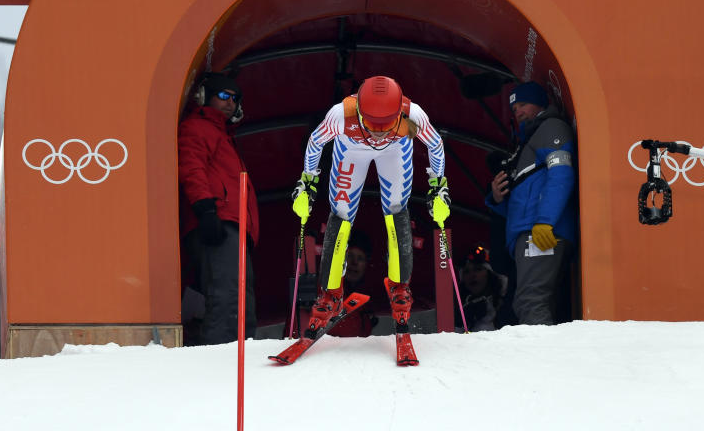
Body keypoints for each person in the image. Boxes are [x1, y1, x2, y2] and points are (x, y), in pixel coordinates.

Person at [290, 75, 451, 336]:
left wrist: (438, 187)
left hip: (394, 151)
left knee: (397, 207)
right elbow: (316, 142)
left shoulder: (413, 114)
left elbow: (435, 144)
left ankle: (399, 288)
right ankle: (330, 292)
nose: (377, 132)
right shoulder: (341, 114)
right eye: (372, 124)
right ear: (361, 112)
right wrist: (307, 183)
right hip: (352, 150)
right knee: (341, 210)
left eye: (385, 125)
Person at [486, 80, 576, 325]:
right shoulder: (528, 141)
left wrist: (545, 222)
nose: (519, 113)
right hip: (532, 230)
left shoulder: (551, 128)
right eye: (515, 110)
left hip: (542, 231)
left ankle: (544, 361)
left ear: (540, 103)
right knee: (537, 301)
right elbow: (525, 194)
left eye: (524, 105)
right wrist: (497, 198)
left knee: (530, 301)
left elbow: (561, 175)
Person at [178, 72, 259, 345]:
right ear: (204, 96)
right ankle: (221, 356)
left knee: (241, 296)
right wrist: (205, 210)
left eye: (235, 99)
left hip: (232, 222)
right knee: (226, 294)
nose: (230, 103)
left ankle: (241, 353)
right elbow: (192, 168)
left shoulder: (223, 135)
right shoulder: (197, 127)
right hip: (218, 220)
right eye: (223, 95)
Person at [455, 244, 507, 332]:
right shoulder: (457, 309)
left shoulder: (508, 301)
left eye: (478, 269)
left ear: (489, 274)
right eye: (466, 272)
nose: (472, 275)